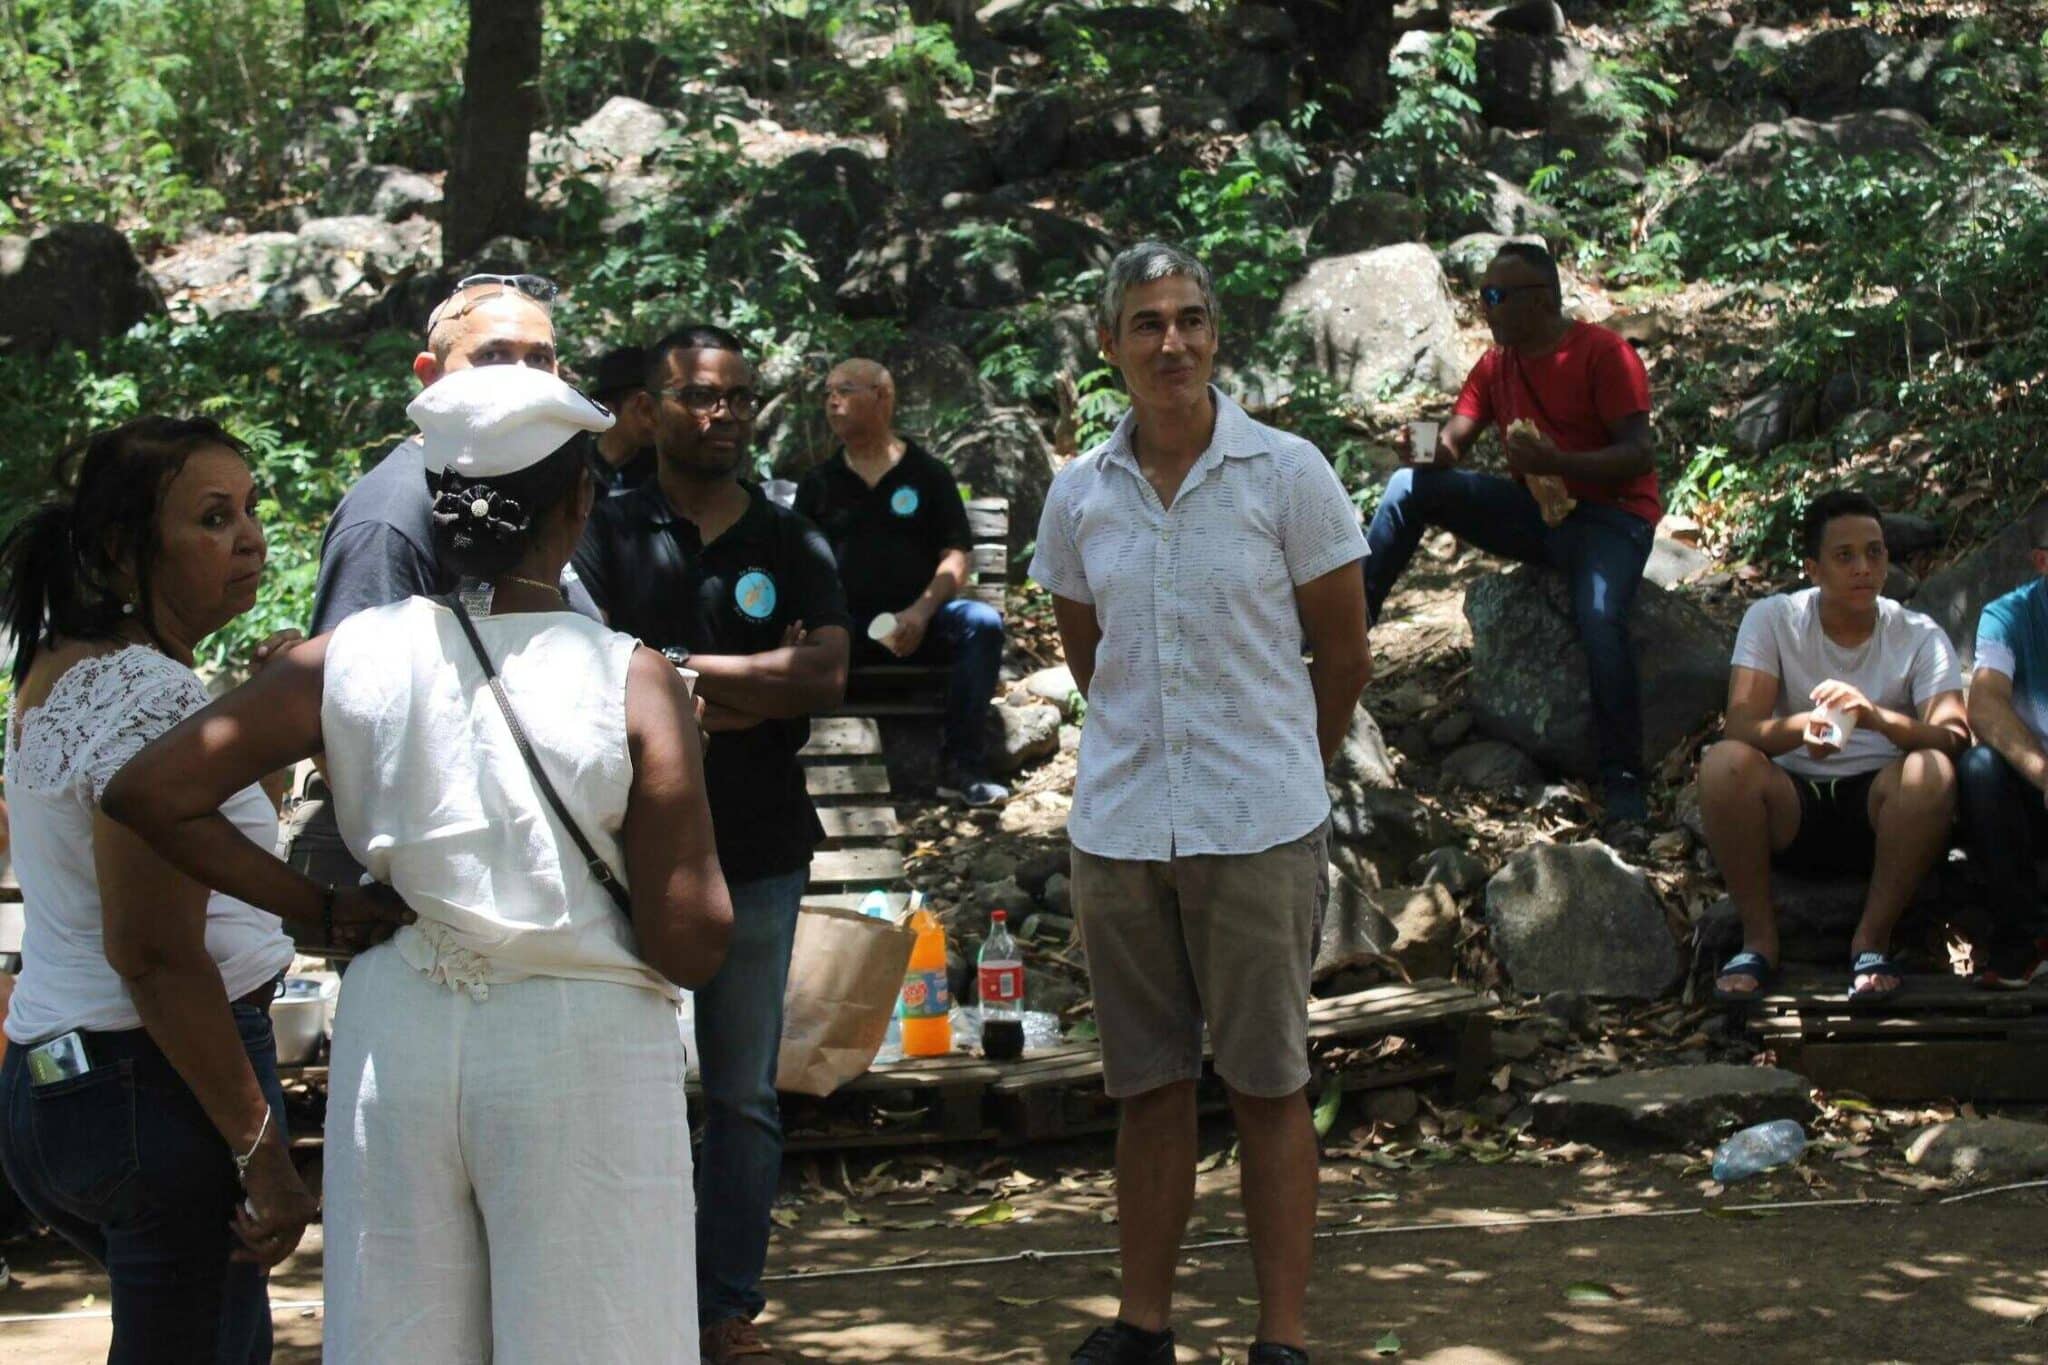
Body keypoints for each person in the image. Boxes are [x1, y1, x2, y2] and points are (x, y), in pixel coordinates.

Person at [101, 365, 734, 1363]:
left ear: (441, 514)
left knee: (401, 1332)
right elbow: (691, 942)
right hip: (578, 1044)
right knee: (595, 1336)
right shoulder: (630, 677)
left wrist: (316, 907)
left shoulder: (345, 656)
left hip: (397, 1034)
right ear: (577, 504)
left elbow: (146, 792)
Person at [1030, 242, 1372, 1365]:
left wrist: (1284, 765)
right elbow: (1094, 657)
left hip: (1260, 823)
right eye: (1144, 323)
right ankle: (1144, 1328)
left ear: (1215, 334)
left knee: (1269, 1085)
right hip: (1121, 827)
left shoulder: (1286, 475)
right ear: (1108, 346)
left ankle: (1280, 1341)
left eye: (1187, 319)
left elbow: (1342, 652)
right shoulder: (1079, 493)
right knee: (1146, 1087)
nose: (1168, 343)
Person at [0, 416, 406, 1361]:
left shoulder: (69, 669)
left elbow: (186, 863)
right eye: (214, 518)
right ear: (120, 547)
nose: (252, 537)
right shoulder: (146, 694)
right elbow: (152, 951)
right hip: (156, 1084)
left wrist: (259, 738)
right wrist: (264, 1155)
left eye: (250, 510)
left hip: (60, 1083)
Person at [573, 324, 849, 1365]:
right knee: (624, 1085)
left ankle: (723, 1308)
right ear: (651, 408)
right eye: (697, 396)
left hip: (759, 850)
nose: (721, 415)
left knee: (740, 1096)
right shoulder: (602, 528)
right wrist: (732, 681)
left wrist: (680, 679)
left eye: (736, 398)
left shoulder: (789, 535)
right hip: (625, 856)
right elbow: (584, 668)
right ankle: (626, 1302)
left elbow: (825, 675)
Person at [1362, 241, 1658, 829]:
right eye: (1483, 296)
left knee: (1600, 620)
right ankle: (1345, 628)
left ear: (1542, 299)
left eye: (1497, 296)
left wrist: (1558, 459)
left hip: (1612, 520)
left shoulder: (1604, 353)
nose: (1486, 309)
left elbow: (1638, 455)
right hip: (1536, 513)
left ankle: (1623, 781)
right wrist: (1418, 448)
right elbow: (1452, 445)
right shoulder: (1498, 364)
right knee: (1406, 488)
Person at [1701, 491, 1968, 1005]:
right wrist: (1802, 728)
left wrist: (1874, 717)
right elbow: (1741, 725)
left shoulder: (1917, 634)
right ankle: (1759, 941)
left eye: (1875, 553)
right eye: (1845, 556)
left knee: (1931, 769)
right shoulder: (1773, 619)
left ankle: (1871, 940)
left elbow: (1953, 735)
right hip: (1791, 806)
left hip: (1879, 812)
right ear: (1812, 569)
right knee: (1723, 765)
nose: (1864, 568)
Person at [795, 357, 1009, 805]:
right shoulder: (819, 483)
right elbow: (800, 565)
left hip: (919, 625)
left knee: (982, 623)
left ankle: (962, 766)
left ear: (883, 397)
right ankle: (801, 775)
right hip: (844, 632)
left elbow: (955, 557)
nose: (833, 402)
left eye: (847, 390)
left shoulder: (927, 475)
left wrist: (920, 612)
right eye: (828, 394)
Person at [1960, 536, 2048, 987]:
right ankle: (2025, 940)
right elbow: (1985, 705)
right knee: (1980, 768)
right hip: (2035, 795)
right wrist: (2044, 775)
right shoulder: (2009, 616)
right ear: (2042, 561)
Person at [588, 343, 658, 493]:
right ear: (608, 410)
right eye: (644, 408)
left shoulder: (664, 469)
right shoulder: (575, 467)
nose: (654, 416)